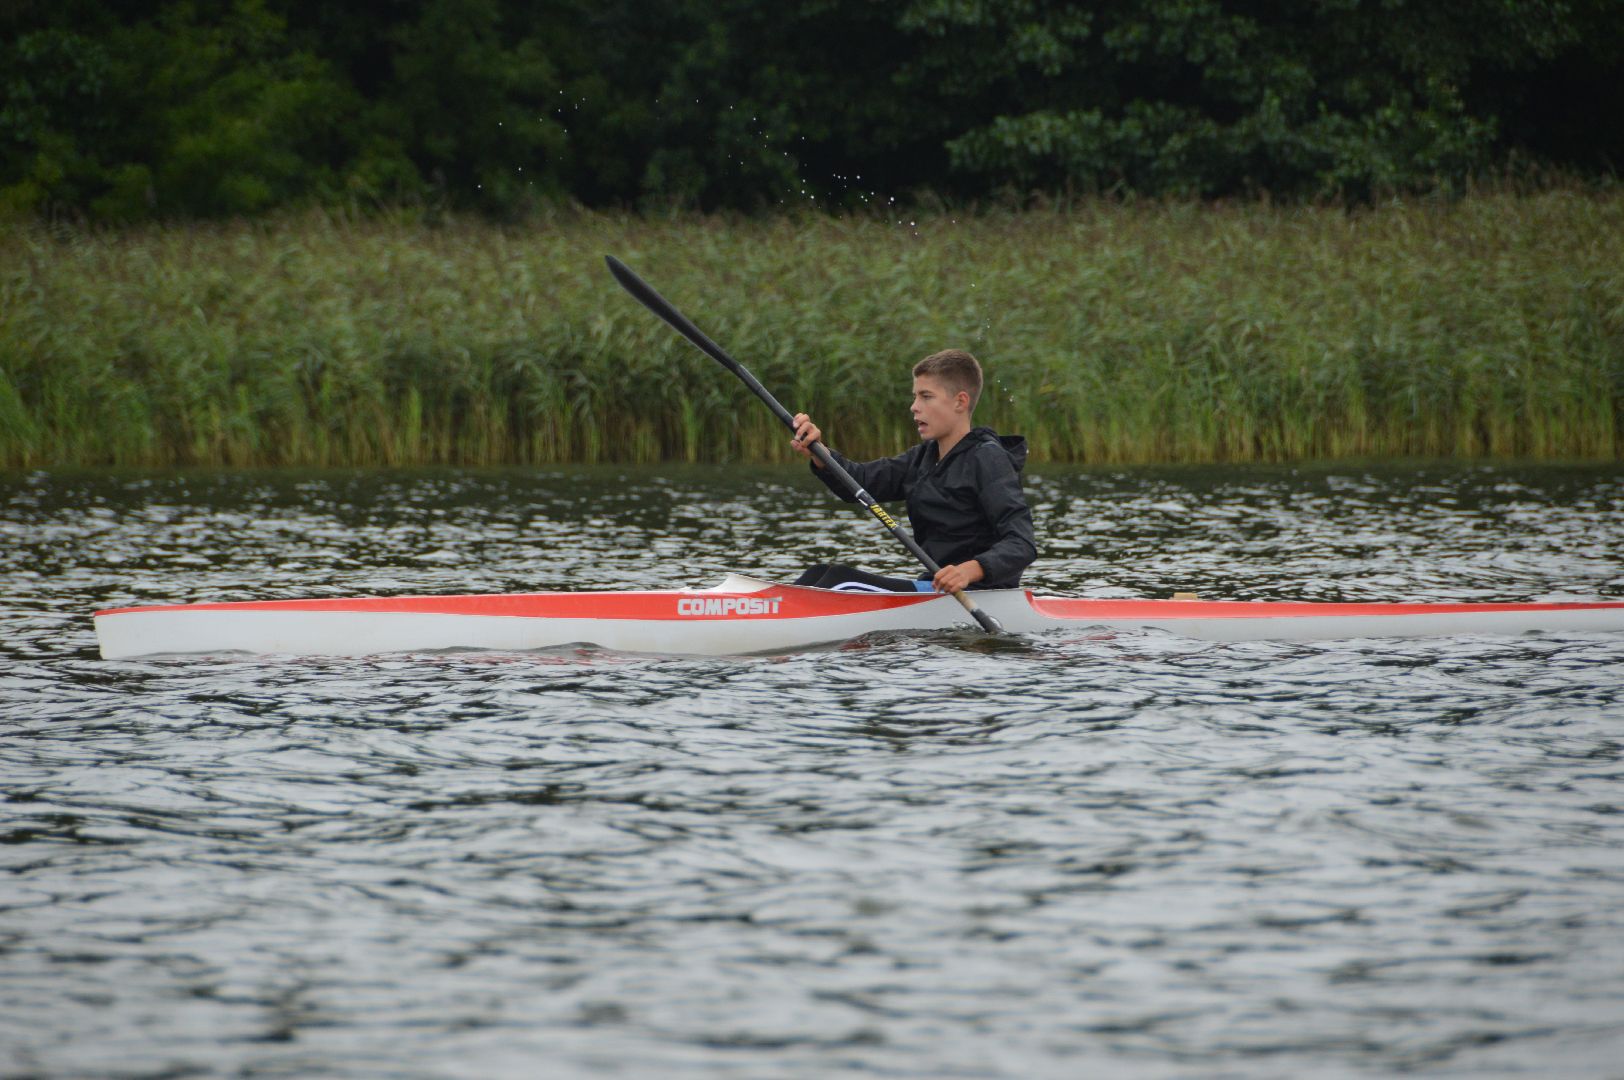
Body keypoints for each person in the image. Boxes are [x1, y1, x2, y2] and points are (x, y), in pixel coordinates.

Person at [789, 349, 1036, 594]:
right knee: (817, 573)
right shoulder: (923, 457)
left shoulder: (988, 458)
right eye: (915, 396)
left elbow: (1022, 543)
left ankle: (773, 619)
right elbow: (860, 482)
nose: (914, 407)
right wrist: (819, 453)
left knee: (838, 580)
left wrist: (970, 570)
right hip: (936, 588)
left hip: (979, 591)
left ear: (960, 401)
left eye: (926, 396)